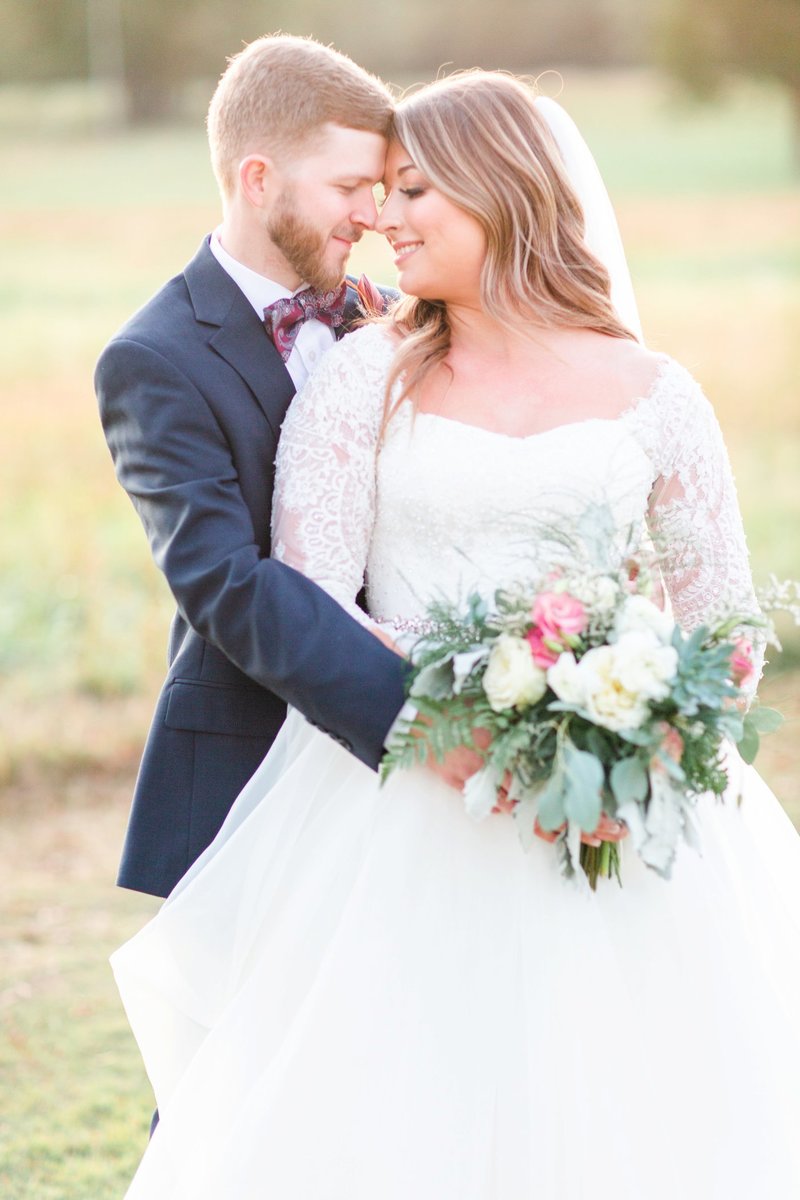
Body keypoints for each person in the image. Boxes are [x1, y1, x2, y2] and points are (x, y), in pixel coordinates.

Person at [112, 72, 800, 1198]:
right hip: (402, 793)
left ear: (502, 192)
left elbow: (720, 615)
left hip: (625, 803)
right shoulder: (359, 383)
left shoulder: (657, 394)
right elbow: (309, 597)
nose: (385, 218)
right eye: (379, 190)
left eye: (415, 189)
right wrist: (453, 719)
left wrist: (654, 742)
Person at [94, 35, 412, 901]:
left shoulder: (393, 318)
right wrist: (416, 710)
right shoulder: (153, 358)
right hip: (258, 765)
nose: (374, 217)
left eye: (378, 191)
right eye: (349, 188)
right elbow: (225, 583)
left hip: (417, 793)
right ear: (259, 178)